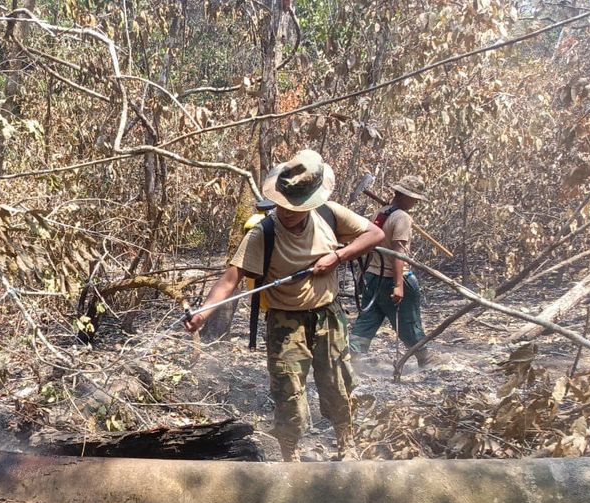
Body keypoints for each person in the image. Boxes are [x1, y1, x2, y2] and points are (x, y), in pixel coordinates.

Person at [184, 149, 384, 461]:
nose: (286, 211)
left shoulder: (329, 215)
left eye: (295, 207)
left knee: (337, 382)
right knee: (288, 391)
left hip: (328, 316)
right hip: (285, 322)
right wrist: (203, 313)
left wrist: (338, 257)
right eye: (282, 204)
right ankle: (289, 455)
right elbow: (230, 278)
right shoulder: (263, 233)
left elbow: (375, 233)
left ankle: (347, 444)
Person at [349, 175, 432, 366]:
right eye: (414, 199)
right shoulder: (402, 217)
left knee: (367, 320)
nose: (415, 204)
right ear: (405, 196)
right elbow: (398, 253)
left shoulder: (380, 213)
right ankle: (424, 357)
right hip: (393, 277)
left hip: (373, 277)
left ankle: (350, 357)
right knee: (408, 321)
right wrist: (399, 285)